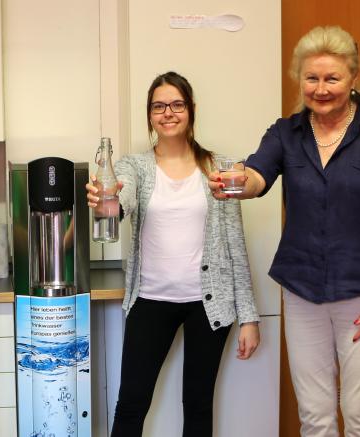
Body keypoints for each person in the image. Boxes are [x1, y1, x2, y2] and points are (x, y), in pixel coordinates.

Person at [209, 27, 360, 436]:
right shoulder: (285, 133)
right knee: (314, 416)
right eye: (311, 78)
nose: (321, 89)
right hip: (303, 290)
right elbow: (257, 175)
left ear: (354, 78)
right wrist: (234, 181)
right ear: (299, 79)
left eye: (332, 79)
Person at [93, 71, 260, 437]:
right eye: (158, 106)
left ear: (191, 110)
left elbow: (235, 243)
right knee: (131, 404)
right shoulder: (133, 166)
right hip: (150, 300)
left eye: (176, 104)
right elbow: (123, 198)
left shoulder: (220, 168)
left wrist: (249, 317)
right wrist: (107, 203)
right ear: (150, 114)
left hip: (209, 304)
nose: (168, 113)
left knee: (199, 406)